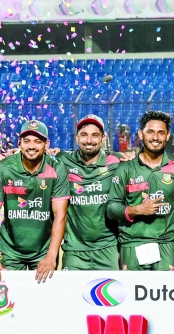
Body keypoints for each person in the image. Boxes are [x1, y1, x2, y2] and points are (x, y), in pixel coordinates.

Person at [0, 120, 70, 281]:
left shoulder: (57, 169)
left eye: (37, 141)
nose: (31, 146)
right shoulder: (3, 168)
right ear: (19, 143)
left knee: (43, 295)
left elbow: (60, 215)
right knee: (8, 295)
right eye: (27, 141)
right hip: (9, 249)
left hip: (43, 250)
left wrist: (51, 256)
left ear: (46, 144)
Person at [107, 111, 174, 271]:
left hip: (167, 245)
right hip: (132, 244)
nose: (155, 137)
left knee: (166, 288)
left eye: (161, 133)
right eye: (150, 132)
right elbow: (111, 208)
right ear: (141, 134)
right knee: (134, 288)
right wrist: (137, 210)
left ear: (167, 136)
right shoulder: (125, 168)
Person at [51, 115, 123, 271]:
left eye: (95, 135)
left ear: (103, 138)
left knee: (111, 288)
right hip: (74, 250)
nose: (89, 140)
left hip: (108, 248)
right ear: (77, 138)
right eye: (84, 135)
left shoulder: (118, 162)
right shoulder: (63, 161)